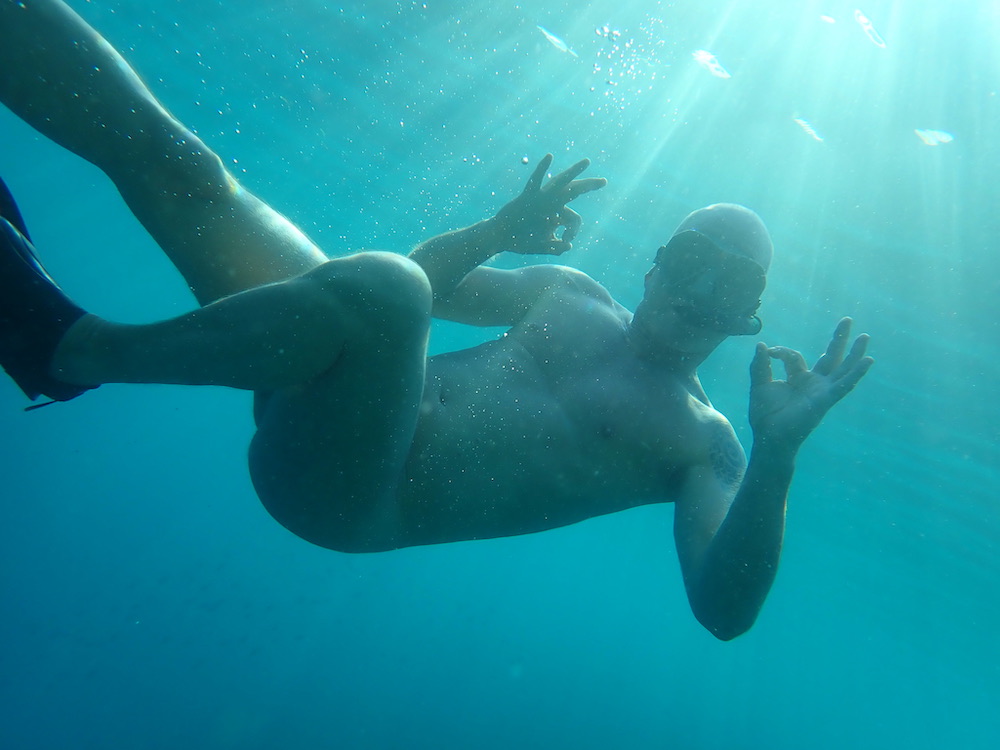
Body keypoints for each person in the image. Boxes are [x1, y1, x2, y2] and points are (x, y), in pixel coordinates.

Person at [0, 0, 872, 640]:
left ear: (749, 317)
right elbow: (415, 285)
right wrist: (497, 232)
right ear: (653, 263)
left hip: (349, 496)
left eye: (730, 283)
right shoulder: (568, 292)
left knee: (382, 291)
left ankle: (71, 349)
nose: (699, 292)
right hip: (328, 382)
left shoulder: (707, 444)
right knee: (185, 164)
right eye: (691, 260)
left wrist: (780, 456)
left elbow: (723, 610)